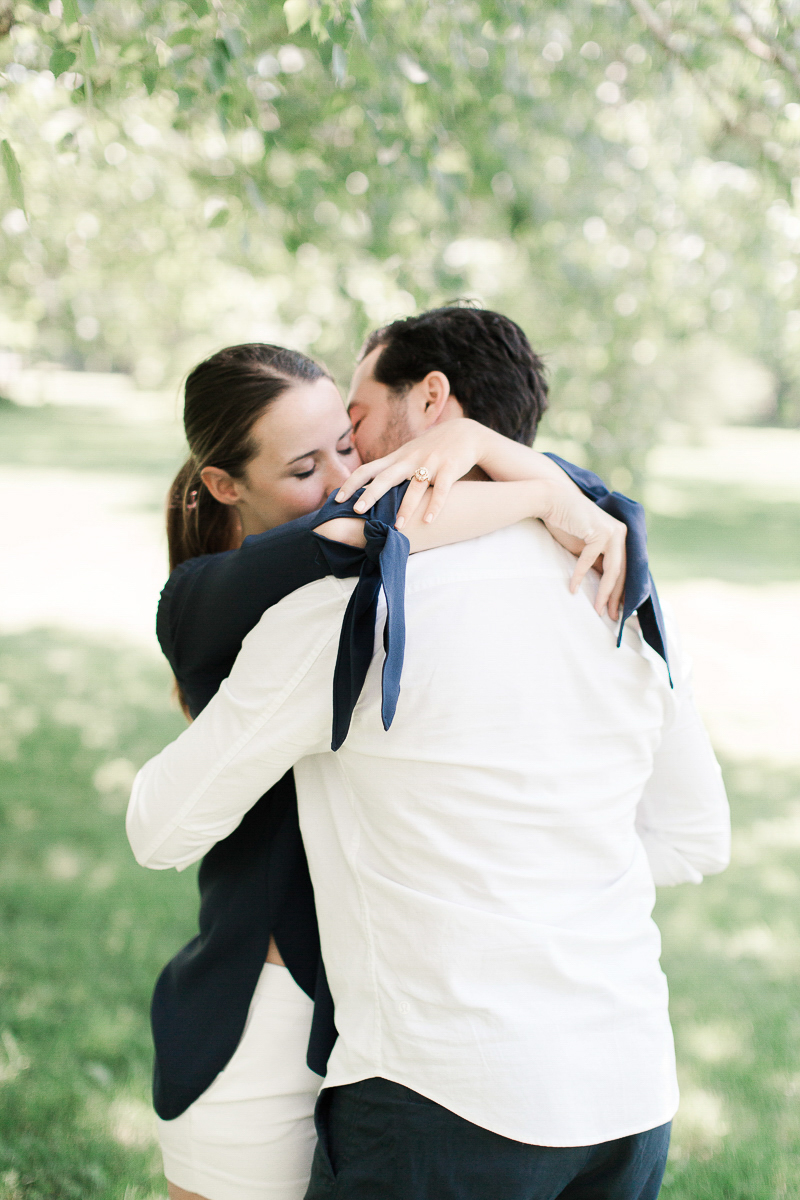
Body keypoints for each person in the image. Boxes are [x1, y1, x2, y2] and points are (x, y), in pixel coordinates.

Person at [127, 313, 730, 1199]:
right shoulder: (614, 584)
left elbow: (161, 828)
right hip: (628, 1087)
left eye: (357, 422)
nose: (350, 465)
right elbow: (694, 839)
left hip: (445, 1094)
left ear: (435, 405)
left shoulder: (353, 612)